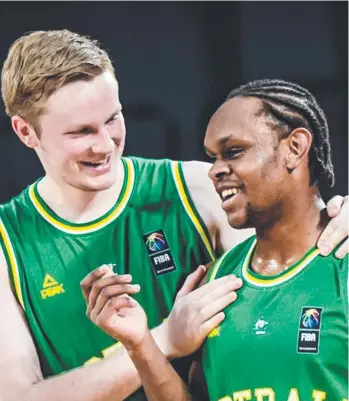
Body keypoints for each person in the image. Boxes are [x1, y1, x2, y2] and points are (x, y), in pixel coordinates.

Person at [0, 29, 347, 401]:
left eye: (113, 118)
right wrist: (164, 339)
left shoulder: (197, 190)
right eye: (81, 132)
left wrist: (334, 219)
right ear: (25, 131)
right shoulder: (8, 239)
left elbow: (294, 306)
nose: (105, 145)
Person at [91, 79, 349, 401]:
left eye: (233, 152)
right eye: (213, 157)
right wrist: (140, 344)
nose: (215, 170)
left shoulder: (343, 266)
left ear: (294, 148)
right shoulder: (214, 282)